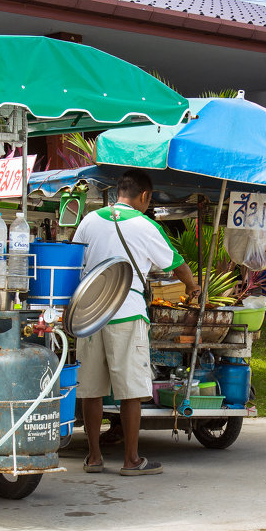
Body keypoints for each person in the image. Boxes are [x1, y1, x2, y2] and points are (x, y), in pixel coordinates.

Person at [72, 170, 200, 476]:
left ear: (119, 192)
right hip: (126, 312)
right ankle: (131, 460)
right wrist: (193, 287)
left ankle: (93, 457)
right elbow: (176, 264)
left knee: (90, 389)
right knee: (130, 391)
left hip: (89, 314)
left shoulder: (89, 220)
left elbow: (74, 258)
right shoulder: (147, 225)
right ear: (144, 196)